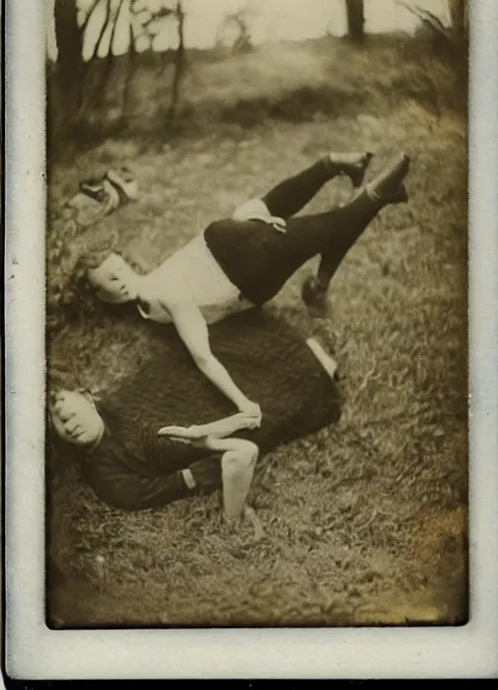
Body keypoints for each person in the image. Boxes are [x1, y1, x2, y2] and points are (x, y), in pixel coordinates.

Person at [85, 151, 411, 420]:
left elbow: (203, 357)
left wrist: (242, 404)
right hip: (225, 241)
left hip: (246, 269)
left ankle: (378, 194)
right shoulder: (152, 291)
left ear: (125, 262)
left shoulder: (160, 295)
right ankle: (336, 167)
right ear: (103, 298)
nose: (118, 282)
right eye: (107, 283)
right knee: (263, 208)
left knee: (336, 225)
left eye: (116, 270)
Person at [49, 309, 342, 524]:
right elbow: (164, 487)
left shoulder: (116, 399)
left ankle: (303, 347)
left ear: (86, 397)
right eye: (60, 426)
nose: (68, 425)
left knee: (233, 355)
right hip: (206, 434)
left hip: (193, 390)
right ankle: (316, 358)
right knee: (279, 404)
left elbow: (163, 374)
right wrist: (212, 466)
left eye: (67, 413)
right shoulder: (105, 473)